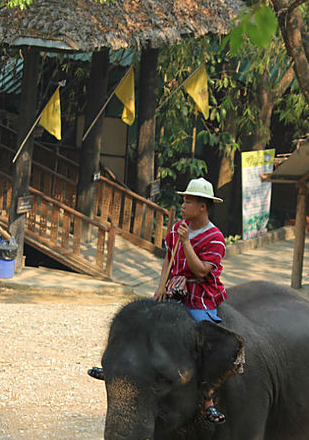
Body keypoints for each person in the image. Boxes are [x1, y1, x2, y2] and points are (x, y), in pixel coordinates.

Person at [88, 177, 229, 423]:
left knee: (204, 340)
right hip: (173, 291)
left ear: (203, 206)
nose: (183, 205)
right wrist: (160, 286)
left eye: (188, 201)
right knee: (139, 320)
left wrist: (187, 243)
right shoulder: (177, 228)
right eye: (183, 200)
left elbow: (201, 271)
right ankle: (116, 369)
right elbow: (168, 258)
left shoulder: (215, 238)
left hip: (199, 297)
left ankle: (208, 398)